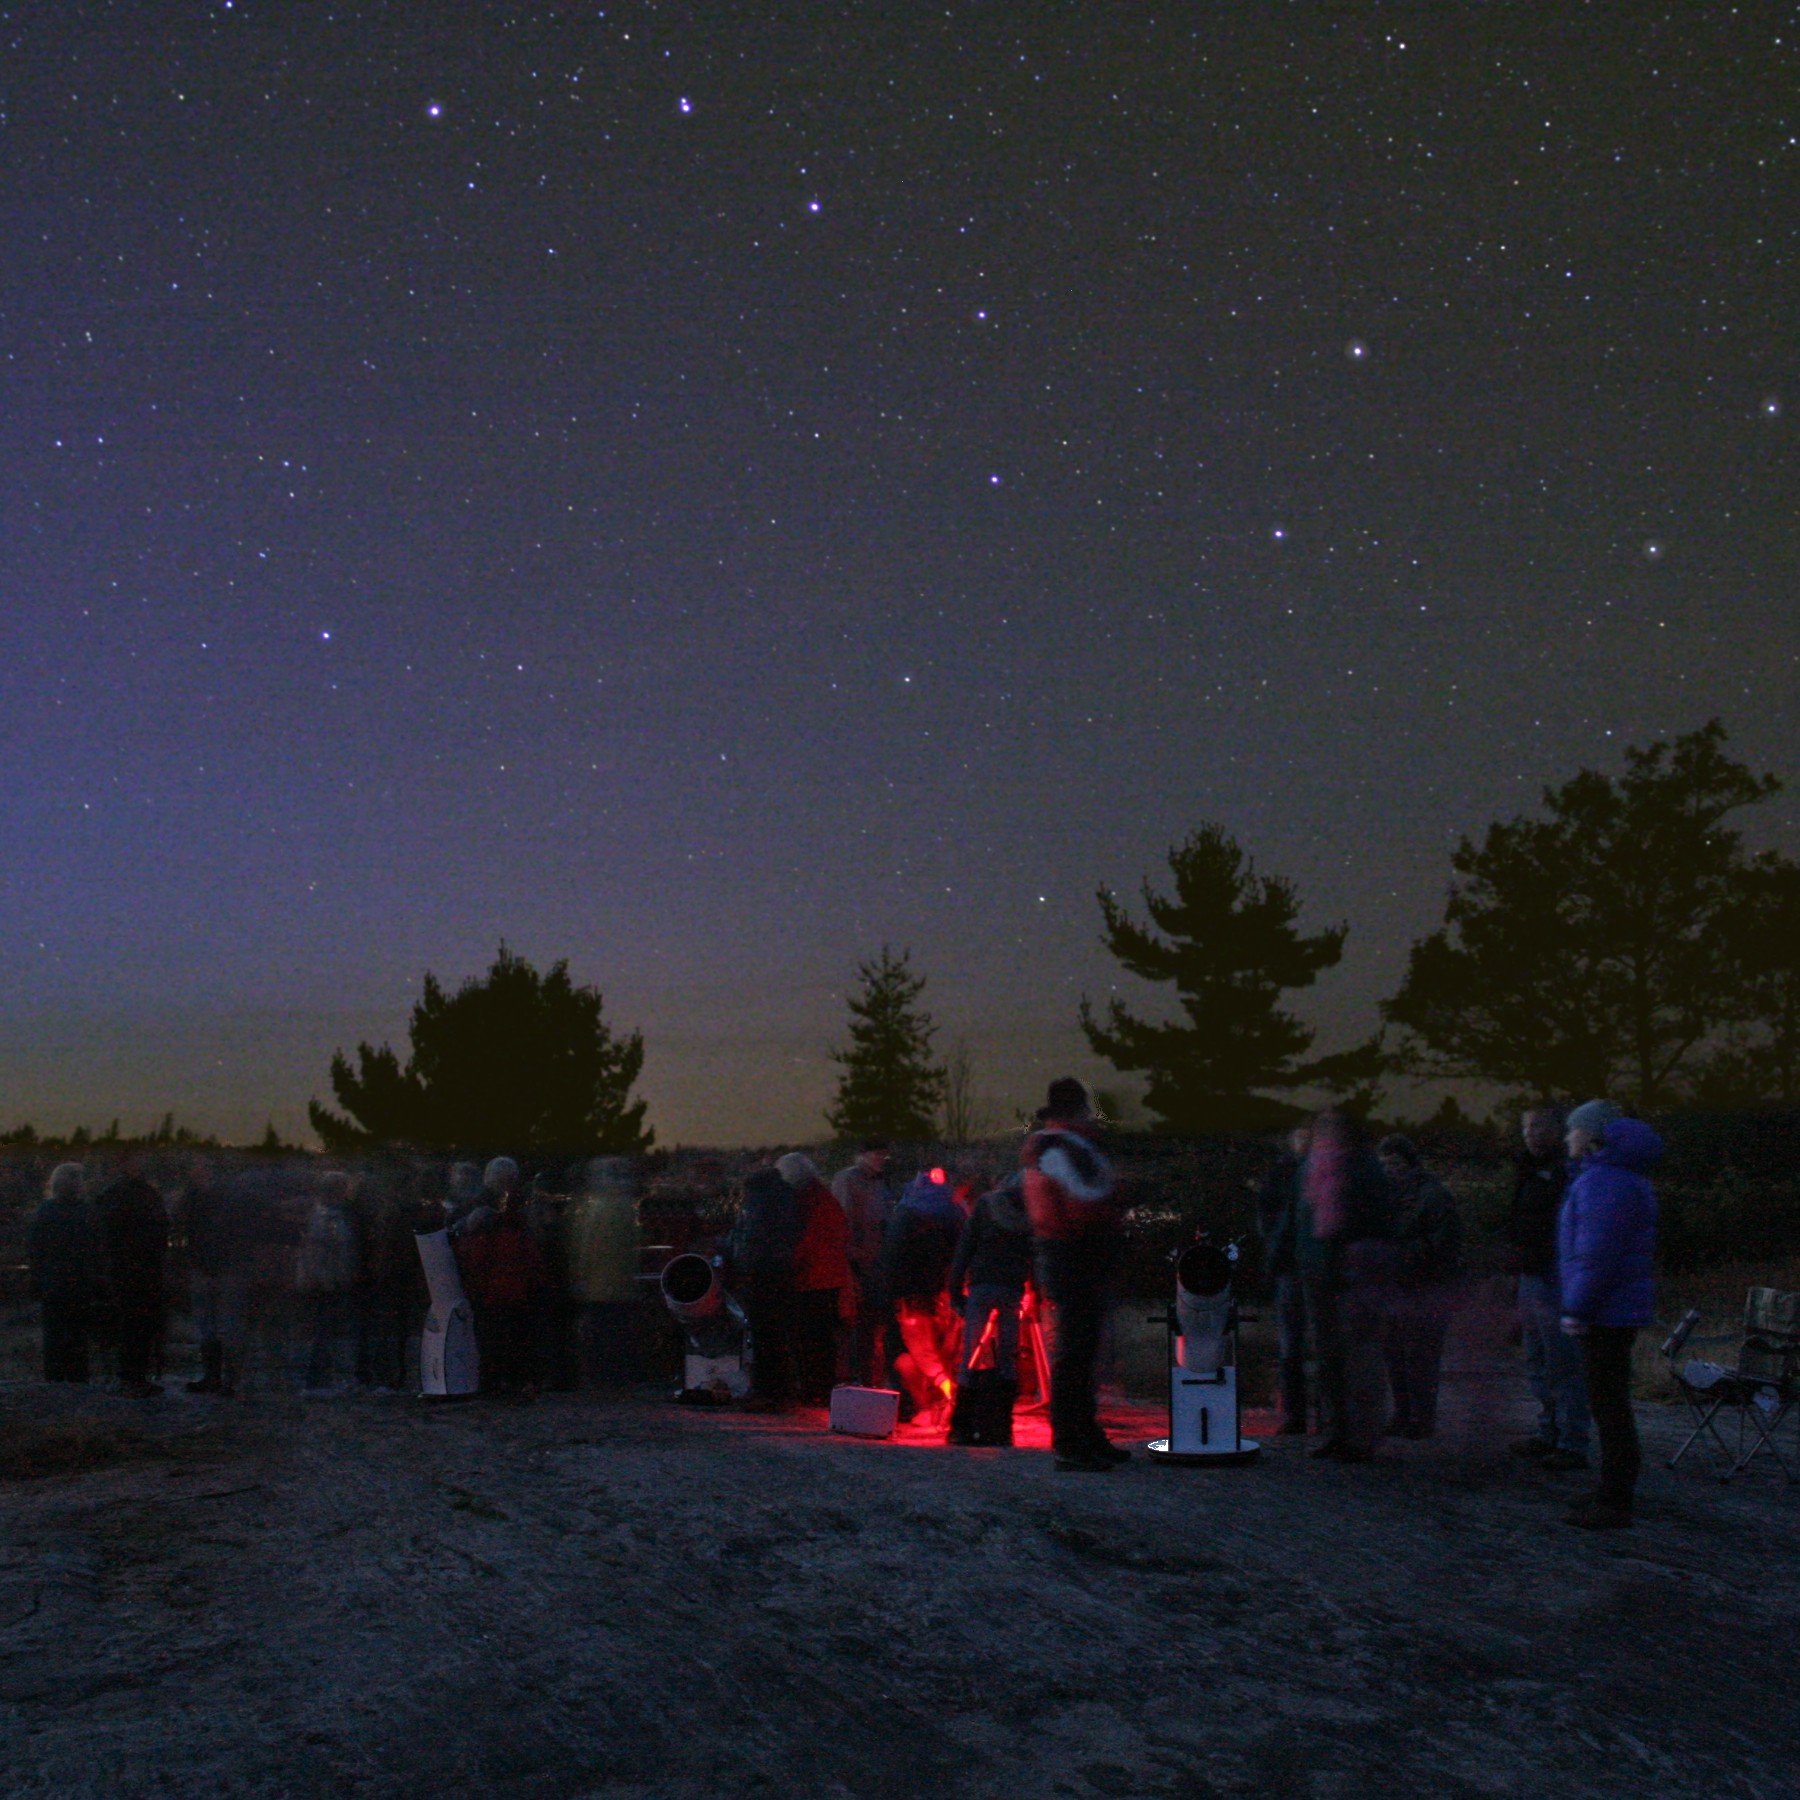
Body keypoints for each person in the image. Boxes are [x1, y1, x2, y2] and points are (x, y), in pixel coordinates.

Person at [1558, 1101, 1661, 1530]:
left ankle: (1615, 1500)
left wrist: (1576, 1307)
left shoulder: (1604, 1181)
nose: (1568, 1137)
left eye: (1573, 1129)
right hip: (1615, 1308)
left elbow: (1595, 1255)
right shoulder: (1619, 1178)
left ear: (1593, 1135)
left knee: (1610, 1406)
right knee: (1609, 1403)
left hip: (1605, 1311)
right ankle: (1611, 1489)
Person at [1269, 1110, 1393, 1461]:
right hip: (1317, 1270)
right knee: (1329, 1357)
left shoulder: (1361, 1167)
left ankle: (1359, 1434)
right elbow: (1295, 1216)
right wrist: (1282, 1257)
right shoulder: (1313, 1169)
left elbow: (1377, 1219)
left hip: (1349, 1273)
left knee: (1355, 1356)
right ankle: (1339, 1430)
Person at [1023, 1077, 1127, 1471]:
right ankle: (1070, 1440)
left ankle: (1084, 1433)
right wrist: (1118, 1197)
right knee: (1075, 1351)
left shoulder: (1058, 1146)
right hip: (1075, 1254)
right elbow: (1082, 1202)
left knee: (1082, 1350)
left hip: (1074, 1254)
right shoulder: (1062, 1148)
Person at [1506, 1107, 1591, 1471]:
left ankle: (1572, 1441)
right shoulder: (1526, 1168)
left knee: (1563, 1363)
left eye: (1538, 1124)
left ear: (1559, 1128)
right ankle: (1549, 1431)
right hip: (1531, 1273)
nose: (1530, 1132)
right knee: (1537, 1358)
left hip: (1555, 1276)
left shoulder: (1568, 1170)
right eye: (1526, 1126)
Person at [1377, 1135, 1464, 1439]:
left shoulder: (1432, 1196)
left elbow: (1444, 1244)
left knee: (1420, 1357)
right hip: (1395, 1287)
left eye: (1395, 1163)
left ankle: (1421, 1418)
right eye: (1384, 1164)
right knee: (1395, 1355)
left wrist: (1401, 1255)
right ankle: (1403, 1414)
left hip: (1426, 1288)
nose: (1390, 1170)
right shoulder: (1385, 1199)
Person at [946, 1171, 1033, 1446]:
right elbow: (1035, 1254)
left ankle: (961, 1427)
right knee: (1007, 1358)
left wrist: (955, 1288)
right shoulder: (1030, 1213)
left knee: (971, 1355)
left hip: (982, 1287)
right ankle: (1000, 1428)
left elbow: (965, 1247)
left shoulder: (986, 1206)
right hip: (1012, 1289)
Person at [879, 1165, 967, 1428]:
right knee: (930, 1352)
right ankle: (939, 1401)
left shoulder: (905, 1216)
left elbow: (891, 1260)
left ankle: (931, 1403)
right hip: (942, 1294)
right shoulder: (954, 1215)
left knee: (911, 1353)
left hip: (911, 1297)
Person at [455, 1173, 554, 1396]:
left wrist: (475, 1289)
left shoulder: (486, 1230)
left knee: (491, 1342)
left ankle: (492, 1382)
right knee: (516, 1341)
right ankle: (515, 1381)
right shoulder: (520, 1231)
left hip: (491, 1296)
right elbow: (534, 1264)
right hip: (517, 1295)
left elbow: (476, 1264)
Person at [93, 1152, 171, 1397]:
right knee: (135, 1323)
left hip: (132, 1268)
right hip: (135, 1269)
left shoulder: (117, 1194)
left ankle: (134, 1376)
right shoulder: (132, 1195)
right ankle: (132, 1376)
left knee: (137, 1323)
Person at [780, 1152, 854, 1405]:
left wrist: (790, 1264)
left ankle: (815, 1388)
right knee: (822, 1338)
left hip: (811, 1278)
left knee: (810, 1337)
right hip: (830, 1276)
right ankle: (822, 1387)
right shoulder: (825, 1197)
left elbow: (806, 1240)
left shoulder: (806, 1200)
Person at [730, 1166, 805, 1410]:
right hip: (782, 1271)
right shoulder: (787, 1194)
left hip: (763, 1273)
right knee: (777, 1334)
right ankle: (780, 1390)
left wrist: (743, 1261)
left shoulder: (760, 1198)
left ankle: (767, 1391)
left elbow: (752, 1235)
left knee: (764, 1333)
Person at [174, 1157, 247, 1395]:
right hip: (217, 1267)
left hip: (217, 1267)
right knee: (217, 1326)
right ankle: (223, 1378)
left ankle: (223, 1378)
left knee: (218, 1326)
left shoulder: (193, 1199)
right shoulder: (226, 1196)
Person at [1256, 1126, 1312, 1434]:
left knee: (1297, 1344)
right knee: (1292, 1345)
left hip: (1300, 1265)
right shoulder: (1284, 1173)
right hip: (1295, 1266)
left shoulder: (1289, 1173)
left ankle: (1301, 1414)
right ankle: (1297, 1413)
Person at [568, 1157, 642, 1386]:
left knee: (601, 1333)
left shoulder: (596, 1209)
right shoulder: (626, 1208)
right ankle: (618, 1375)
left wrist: (580, 1276)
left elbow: (587, 1246)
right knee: (618, 1332)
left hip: (599, 1285)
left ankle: (601, 1376)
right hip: (621, 1283)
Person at [29, 1162, 102, 1382]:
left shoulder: (48, 1211)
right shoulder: (84, 1212)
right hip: (70, 1280)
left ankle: (59, 1376)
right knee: (72, 1333)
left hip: (59, 1280)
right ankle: (73, 1376)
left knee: (60, 1333)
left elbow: (35, 1249)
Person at [831, 1141, 893, 1385]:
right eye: (877, 1153)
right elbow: (844, 1220)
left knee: (871, 1322)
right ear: (863, 1154)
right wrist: (852, 1255)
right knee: (855, 1322)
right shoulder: (849, 1180)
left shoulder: (880, 1182)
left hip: (876, 1261)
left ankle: (869, 1377)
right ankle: (853, 1378)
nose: (881, 1158)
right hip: (857, 1261)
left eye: (883, 1153)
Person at [295, 1171, 361, 1392]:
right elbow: (322, 1253)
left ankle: (320, 1377)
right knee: (324, 1331)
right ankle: (318, 1379)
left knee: (324, 1331)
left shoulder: (323, 1215)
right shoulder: (327, 1218)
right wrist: (329, 1279)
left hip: (327, 1280)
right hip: (327, 1283)